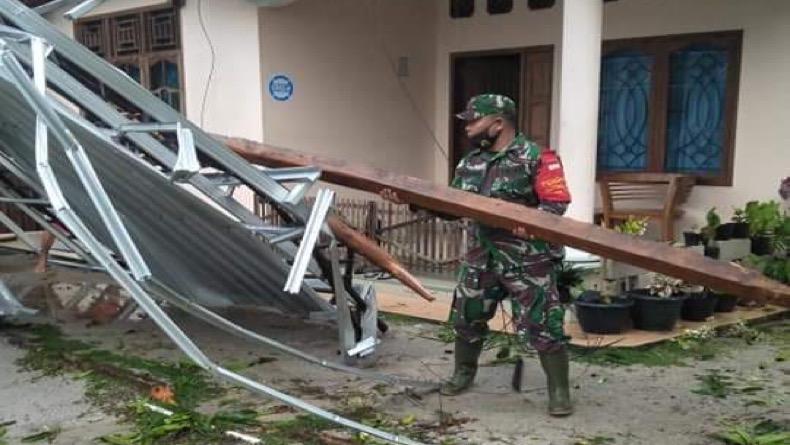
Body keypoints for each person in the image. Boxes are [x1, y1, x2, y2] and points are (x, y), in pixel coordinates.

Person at [380, 94, 573, 416]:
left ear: (498, 123)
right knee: (467, 318)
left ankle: (559, 391)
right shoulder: (470, 162)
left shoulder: (538, 157)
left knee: (543, 323)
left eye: (474, 120)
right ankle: (462, 374)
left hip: (527, 259)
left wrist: (534, 222)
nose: (467, 127)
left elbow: (556, 202)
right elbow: (452, 210)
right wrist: (411, 200)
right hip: (480, 256)